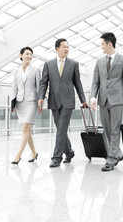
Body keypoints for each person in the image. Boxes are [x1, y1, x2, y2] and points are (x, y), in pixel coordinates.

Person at [38, 38, 88, 168]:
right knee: (61, 129)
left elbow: (78, 83)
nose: (67, 49)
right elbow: (44, 82)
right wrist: (41, 97)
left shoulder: (73, 64)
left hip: (68, 101)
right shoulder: (48, 64)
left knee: (61, 129)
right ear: (57, 49)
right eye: (64, 47)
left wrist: (83, 100)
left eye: (68, 47)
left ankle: (56, 158)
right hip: (54, 101)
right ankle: (69, 152)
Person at [90, 32, 123, 172]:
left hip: (117, 100)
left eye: (102, 44)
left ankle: (111, 159)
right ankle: (118, 153)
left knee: (115, 130)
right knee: (107, 129)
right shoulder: (99, 61)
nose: (101, 47)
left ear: (110, 44)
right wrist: (93, 97)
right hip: (103, 99)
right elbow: (95, 81)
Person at [11, 47, 41, 164]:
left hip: (32, 102)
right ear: (21, 55)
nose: (29, 56)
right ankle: (34, 152)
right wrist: (13, 104)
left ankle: (18, 155)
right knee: (27, 130)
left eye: (31, 54)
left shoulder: (36, 70)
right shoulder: (16, 71)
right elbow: (14, 88)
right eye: (27, 54)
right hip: (20, 102)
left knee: (25, 128)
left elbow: (39, 87)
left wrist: (40, 102)